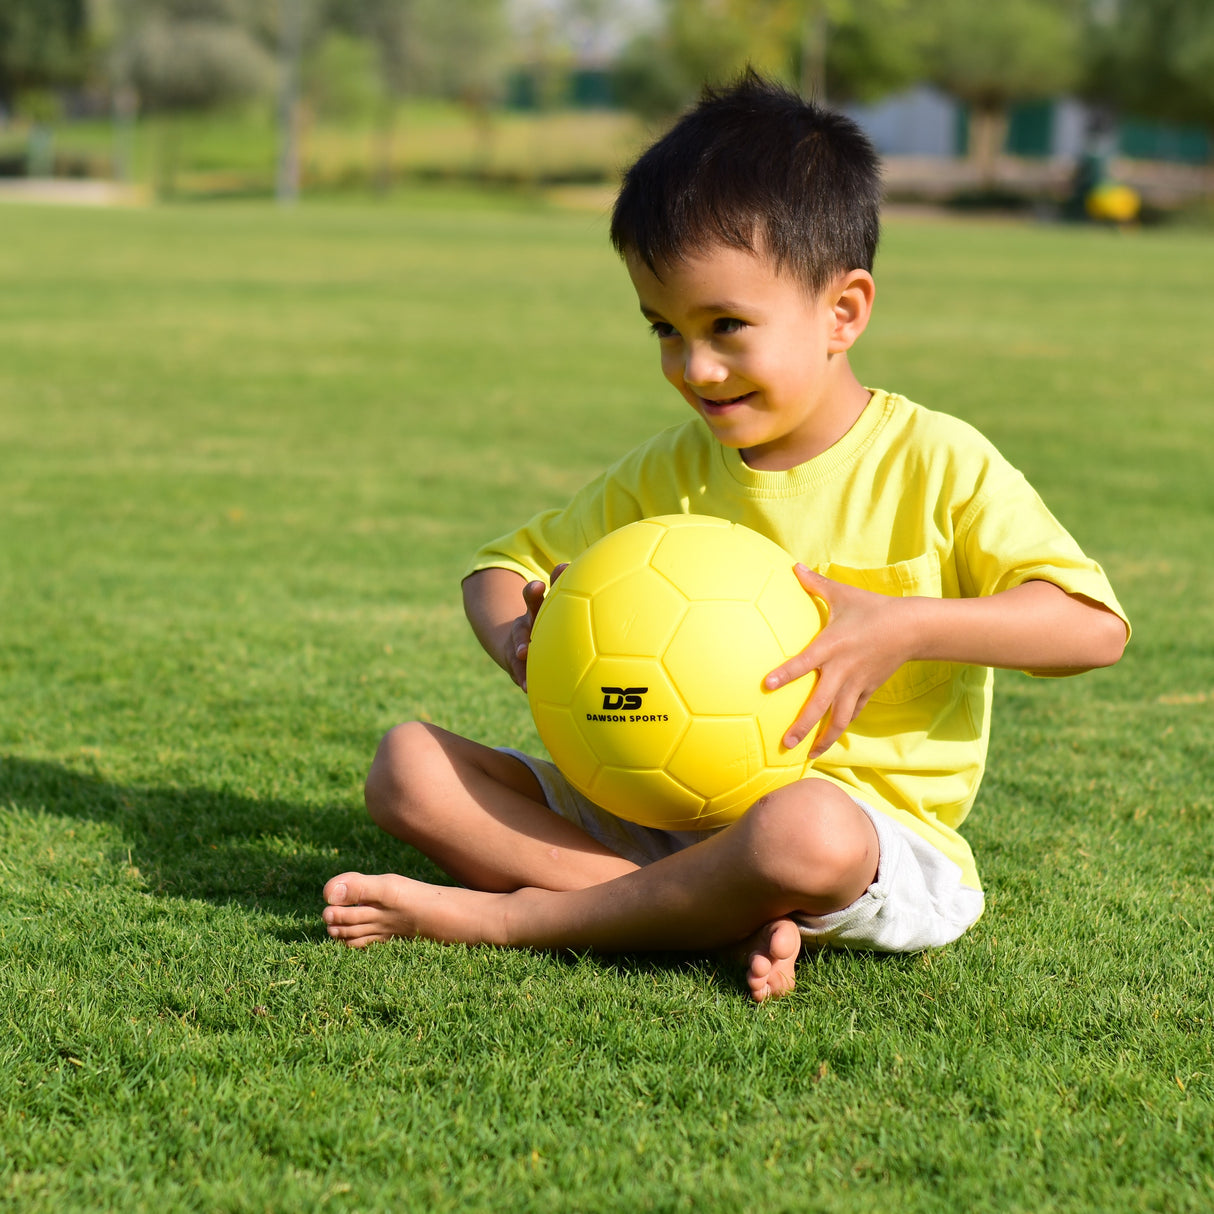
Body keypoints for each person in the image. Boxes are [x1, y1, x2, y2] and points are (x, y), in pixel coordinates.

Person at [322, 74, 1129, 1001]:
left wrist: (907, 625)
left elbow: (1091, 628)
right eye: (664, 329)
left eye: (727, 326)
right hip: (655, 803)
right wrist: (523, 640)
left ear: (843, 312)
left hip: (859, 837)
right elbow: (499, 568)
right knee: (407, 766)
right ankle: (686, 912)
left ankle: (515, 919)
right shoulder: (670, 470)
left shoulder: (936, 462)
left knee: (801, 829)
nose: (695, 368)